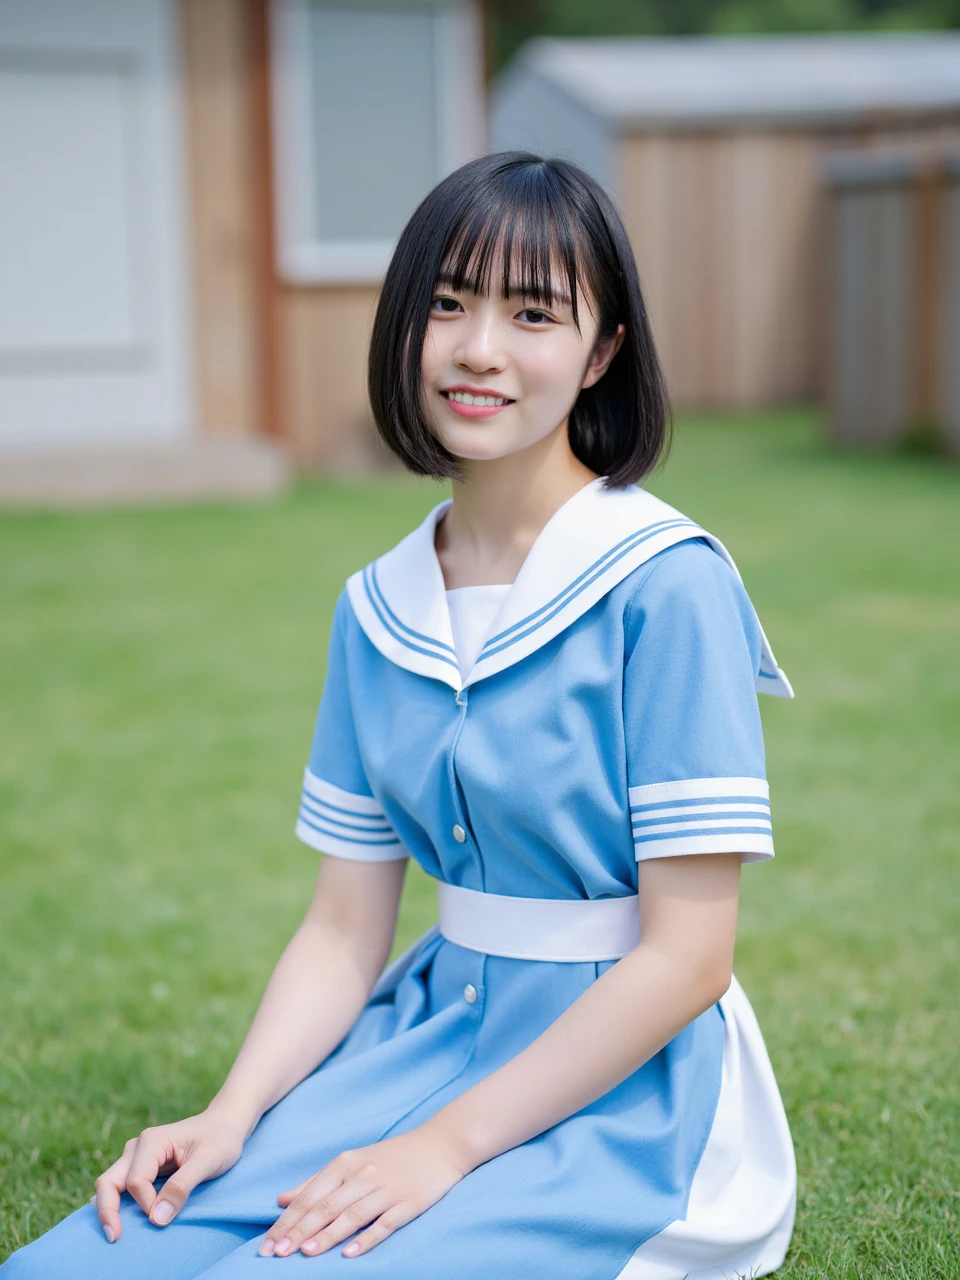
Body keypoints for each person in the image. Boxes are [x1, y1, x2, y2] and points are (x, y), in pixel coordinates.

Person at [2, 151, 796, 1279]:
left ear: (602, 351)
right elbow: (341, 925)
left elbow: (688, 958)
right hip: (417, 1038)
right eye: (447, 302)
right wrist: (230, 1113)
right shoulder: (376, 606)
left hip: (626, 1093)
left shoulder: (667, 582)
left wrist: (444, 1145)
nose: (479, 348)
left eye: (533, 312)